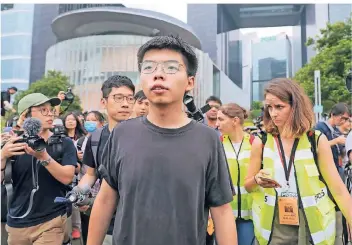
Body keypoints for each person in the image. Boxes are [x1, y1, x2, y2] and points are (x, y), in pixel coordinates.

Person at [88, 35, 237, 245]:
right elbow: (105, 199)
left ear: (190, 82)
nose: (158, 75)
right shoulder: (122, 133)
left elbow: (221, 210)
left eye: (171, 68)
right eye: (149, 68)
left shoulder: (208, 139)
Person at [244, 78, 352, 245]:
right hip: (274, 225)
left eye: (279, 107)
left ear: (295, 107)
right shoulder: (261, 141)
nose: (273, 113)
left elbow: (338, 189)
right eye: (269, 107)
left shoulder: (315, 140)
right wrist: (257, 180)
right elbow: (248, 185)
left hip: (312, 225)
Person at [1, 93, 77, 245]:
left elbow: (67, 177)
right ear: (26, 115)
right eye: (43, 110)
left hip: (52, 219)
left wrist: (43, 157)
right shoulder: (13, 144)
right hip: (17, 222)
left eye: (51, 110)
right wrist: (3, 156)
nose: (50, 113)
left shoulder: (64, 143)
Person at [77, 75, 135, 245]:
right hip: (107, 221)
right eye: (118, 98)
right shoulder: (95, 138)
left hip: (138, 222)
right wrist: (78, 192)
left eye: (130, 98)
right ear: (103, 102)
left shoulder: (145, 135)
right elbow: (91, 174)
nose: (125, 103)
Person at [216, 103, 255, 245]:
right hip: (224, 214)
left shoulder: (254, 142)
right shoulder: (217, 143)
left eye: (221, 119)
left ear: (235, 120)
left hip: (249, 215)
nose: (217, 124)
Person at [77, 110, 105, 245]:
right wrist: (80, 193)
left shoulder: (108, 138)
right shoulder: (84, 140)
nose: (90, 123)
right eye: (87, 120)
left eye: (93, 120)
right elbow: (89, 173)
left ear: (101, 123)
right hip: (91, 191)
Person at [62, 112, 87, 241]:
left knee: (75, 198)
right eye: (68, 120)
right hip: (66, 170)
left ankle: (76, 228)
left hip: (80, 172)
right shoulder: (60, 137)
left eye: (73, 120)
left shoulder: (82, 138)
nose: (70, 122)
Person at [316, 103, 350, 178]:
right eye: (342, 118)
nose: (343, 121)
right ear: (332, 115)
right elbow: (315, 146)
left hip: (336, 167)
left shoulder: (336, 130)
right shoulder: (320, 127)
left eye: (346, 119)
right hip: (324, 169)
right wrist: (336, 141)